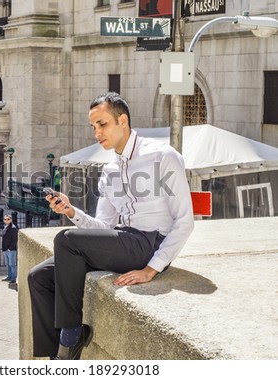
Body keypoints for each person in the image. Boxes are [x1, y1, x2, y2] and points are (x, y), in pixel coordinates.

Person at [28, 92, 194, 360]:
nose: (97, 133)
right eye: (93, 127)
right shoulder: (110, 171)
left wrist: (151, 269)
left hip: (148, 245)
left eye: (102, 124)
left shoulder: (163, 156)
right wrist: (71, 211)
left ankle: (71, 337)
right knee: (39, 276)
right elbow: (104, 226)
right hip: (123, 241)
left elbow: (185, 220)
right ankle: (54, 357)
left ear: (123, 121)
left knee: (65, 240)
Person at [1, 214, 18, 284]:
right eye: (5, 219)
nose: (6, 220)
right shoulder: (5, 227)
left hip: (11, 249)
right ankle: (9, 276)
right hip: (5, 249)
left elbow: (15, 240)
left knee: (12, 264)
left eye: (8, 219)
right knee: (7, 264)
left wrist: (10, 248)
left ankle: (13, 278)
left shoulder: (13, 228)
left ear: (11, 220)